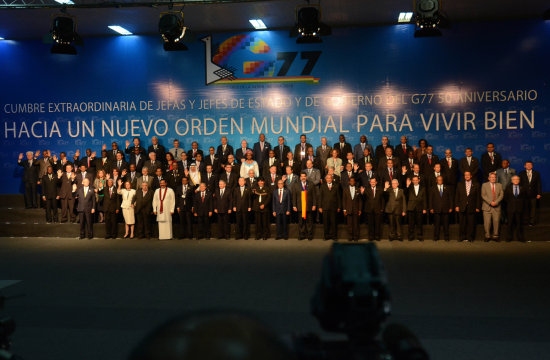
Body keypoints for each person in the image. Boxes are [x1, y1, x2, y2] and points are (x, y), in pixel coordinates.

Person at [455, 171, 481, 242]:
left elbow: (478, 197)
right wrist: (457, 206)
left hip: (472, 207)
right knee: (462, 223)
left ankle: (470, 237)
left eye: (468, 175)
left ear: (471, 176)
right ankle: (462, 237)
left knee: (471, 223)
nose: (467, 176)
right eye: (465, 175)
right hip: (462, 206)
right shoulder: (460, 184)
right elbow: (457, 196)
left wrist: (478, 207)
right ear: (464, 176)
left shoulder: (476, 184)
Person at [292, 172, 317, 240]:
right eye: (302, 176)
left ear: (306, 177)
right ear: (300, 177)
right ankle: (301, 235)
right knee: (301, 222)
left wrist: (314, 204)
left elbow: (314, 195)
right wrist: (294, 205)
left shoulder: (311, 184)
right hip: (300, 207)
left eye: (304, 176)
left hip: (309, 206)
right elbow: (294, 196)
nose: (303, 177)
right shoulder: (296, 185)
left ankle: (309, 235)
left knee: (309, 222)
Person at [429, 176, 453, 241]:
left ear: (442, 180)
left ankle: (446, 237)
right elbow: (431, 199)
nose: (440, 180)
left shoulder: (447, 187)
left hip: (446, 208)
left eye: (441, 179)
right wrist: (431, 208)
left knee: (446, 224)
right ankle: (436, 237)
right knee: (436, 225)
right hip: (436, 209)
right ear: (436, 180)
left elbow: (450, 198)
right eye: (438, 179)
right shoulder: (433, 188)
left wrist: (451, 207)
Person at [481, 173, 503, 241]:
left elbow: (501, 195)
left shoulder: (499, 185)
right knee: (487, 223)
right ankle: (487, 236)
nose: (493, 178)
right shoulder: (484, 185)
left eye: (494, 177)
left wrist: (496, 202)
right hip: (487, 207)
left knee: (496, 222)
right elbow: (483, 195)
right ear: (489, 178)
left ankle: (495, 236)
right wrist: (490, 202)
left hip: (496, 207)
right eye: (491, 177)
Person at [518, 161, 542, 226]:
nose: (528, 166)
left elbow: (539, 184)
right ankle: (525, 221)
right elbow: (519, 184)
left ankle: (532, 221)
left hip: (534, 194)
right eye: (527, 165)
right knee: (525, 208)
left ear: (532, 166)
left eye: (530, 165)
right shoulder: (521, 173)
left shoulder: (536, 173)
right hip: (524, 194)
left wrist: (539, 193)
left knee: (533, 208)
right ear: (524, 166)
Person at [318, 174, 341, 241]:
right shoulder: (322, 186)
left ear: (332, 179)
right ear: (326, 179)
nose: (329, 179)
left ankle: (334, 236)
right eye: (327, 178)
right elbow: (320, 197)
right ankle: (326, 236)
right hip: (325, 208)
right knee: (326, 223)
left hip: (334, 207)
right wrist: (319, 207)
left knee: (334, 223)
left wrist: (339, 206)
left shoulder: (336, 186)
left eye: (330, 178)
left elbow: (338, 197)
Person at [504, 176, 526, 242]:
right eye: (514, 179)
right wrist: (511, 204)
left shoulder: (523, 188)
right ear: (512, 181)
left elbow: (524, 198)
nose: (516, 180)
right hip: (510, 209)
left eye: (517, 179)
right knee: (509, 224)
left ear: (519, 180)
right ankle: (509, 237)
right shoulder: (508, 188)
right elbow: (505, 198)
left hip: (519, 209)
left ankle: (520, 237)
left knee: (519, 224)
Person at [405, 176, 427, 241]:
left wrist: (425, 208)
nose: (415, 181)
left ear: (419, 180)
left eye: (416, 180)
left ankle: (419, 236)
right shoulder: (410, 187)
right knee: (411, 223)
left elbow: (425, 199)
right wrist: (407, 186)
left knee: (419, 223)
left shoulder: (423, 188)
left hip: (420, 207)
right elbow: (405, 194)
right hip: (411, 207)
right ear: (412, 181)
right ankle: (411, 236)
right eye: (414, 180)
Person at [342, 177, 362, 241]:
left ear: (355, 182)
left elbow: (360, 201)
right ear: (349, 182)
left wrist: (360, 209)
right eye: (351, 181)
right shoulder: (345, 190)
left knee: (356, 225)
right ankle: (350, 237)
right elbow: (344, 200)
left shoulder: (358, 189)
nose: (352, 182)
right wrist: (344, 209)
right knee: (349, 225)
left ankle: (356, 237)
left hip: (356, 210)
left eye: (353, 181)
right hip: (348, 210)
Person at [496, 159, 515, 223]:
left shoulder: (513, 171)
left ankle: (508, 219)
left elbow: (514, 181)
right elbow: (497, 182)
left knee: (509, 207)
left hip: (510, 193)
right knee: (502, 207)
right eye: (502, 163)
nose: (503, 164)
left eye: (505, 163)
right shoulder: (498, 171)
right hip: (501, 192)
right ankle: (502, 219)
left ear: (508, 164)